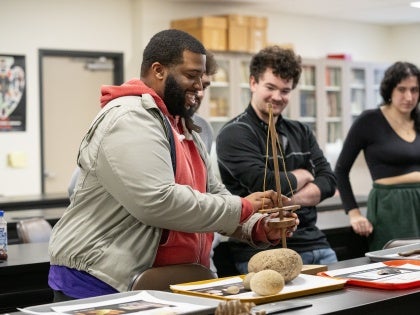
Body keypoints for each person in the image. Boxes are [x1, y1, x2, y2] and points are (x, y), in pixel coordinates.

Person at [49, 29, 299, 301]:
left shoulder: (182, 126)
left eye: (203, 80)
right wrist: (245, 206)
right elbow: (158, 201)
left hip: (162, 281)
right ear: (158, 70)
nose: (199, 87)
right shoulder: (130, 118)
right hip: (103, 282)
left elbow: (213, 194)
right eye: (191, 76)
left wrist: (257, 226)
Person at [216, 46, 337, 274]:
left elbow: (329, 181)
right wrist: (304, 175)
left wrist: (284, 199)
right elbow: (267, 184)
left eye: (285, 90)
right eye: (270, 87)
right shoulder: (234, 134)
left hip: (316, 245)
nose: (277, 97)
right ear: (253, 83)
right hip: (260, 252)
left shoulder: (301, 131)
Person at [67, 50, 217, 198]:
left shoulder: (200, 128)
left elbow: (207, 187)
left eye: (204, 86)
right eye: (191, 79)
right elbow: (75, 186)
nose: (200, 92)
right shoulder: (135, 118)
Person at [335, 61, 420, 251]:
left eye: (414, 90)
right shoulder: (369, 121)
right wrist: (354, 213)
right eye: (402, 89)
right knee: (395, 265)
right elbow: (340, 171)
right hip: (390, 207)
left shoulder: (418, 120)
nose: (409, 96)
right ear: (389, 90)